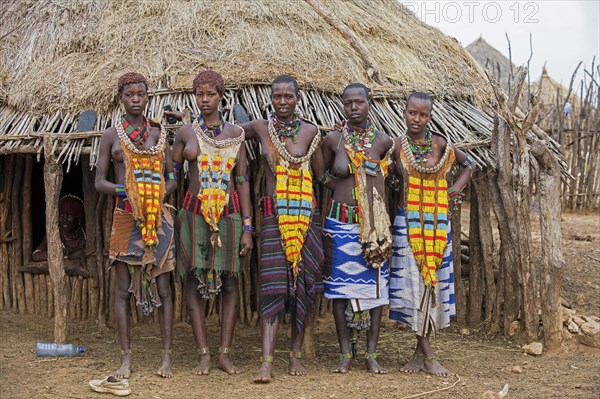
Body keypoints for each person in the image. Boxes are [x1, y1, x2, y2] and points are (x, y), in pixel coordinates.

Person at [236, 74, 324, 383]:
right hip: (274, 216)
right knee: (272, 285)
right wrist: (188, 120)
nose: (283, 101)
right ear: (270, 99)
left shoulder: (313, 132)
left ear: (297, 98)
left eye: (288, 96)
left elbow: (322, 177)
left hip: (305, 217)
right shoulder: (261, 128)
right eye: (277, 96)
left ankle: (296, 355)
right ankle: (267, 361)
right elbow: (226, 133)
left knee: (302, 284)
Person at [95, 72, 177, 379]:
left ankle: (166, 357)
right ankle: (126, 358)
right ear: (121, 98)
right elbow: (99, 180)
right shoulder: (111, 135)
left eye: (140, 94)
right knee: (122, 290)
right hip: (125, 216)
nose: (135, 99)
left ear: (147, 97)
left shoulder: (158, 132)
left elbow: (172, 177)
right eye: (129, 94)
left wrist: (154, 196)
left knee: (165, 287)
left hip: (157, 217)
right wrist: (127, 190)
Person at [172, 70, 252, 376]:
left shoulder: (236, 134)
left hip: (229, 216)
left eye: (211, 94)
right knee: (193, 279)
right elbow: (171, 173)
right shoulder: (186, 134)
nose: (205, 100)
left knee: (230, 281)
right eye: (200, 94)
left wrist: (247, 226)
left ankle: (225, 354)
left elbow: (242, 180)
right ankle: (203, 353)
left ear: (221, 96)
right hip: (194, 216)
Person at [388, 92, 474, 376]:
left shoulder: (442, 145)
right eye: (412, 113)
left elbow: (469, 165)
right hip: (407, 227)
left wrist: (456, 188)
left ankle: (419, 354)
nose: (417, 119)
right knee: (414, 286)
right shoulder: (398, 146)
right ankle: (427, 356)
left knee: (431, 285)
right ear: (404, 112)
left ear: (430, 117)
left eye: (423, 115)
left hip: (437, 228)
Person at [318, 83, 394, 374]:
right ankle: (345, 353)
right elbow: (322, 173)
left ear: (369, 103)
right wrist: (340, 187)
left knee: (374, 291)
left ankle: (371, 354)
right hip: (339, 222)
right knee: (339, 291)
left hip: (373, 225)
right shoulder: (334, 139)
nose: (353, 107)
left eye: (359, 102)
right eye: (348, 102)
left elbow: (395, 177)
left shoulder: (384, 142)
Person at [32, 194, 86, 262]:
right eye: (61, 215)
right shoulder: (54, 235)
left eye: (69, 216)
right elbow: (36, 255)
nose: (64, 219)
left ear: (78, 218)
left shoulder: (85, 236)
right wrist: (63, 255)